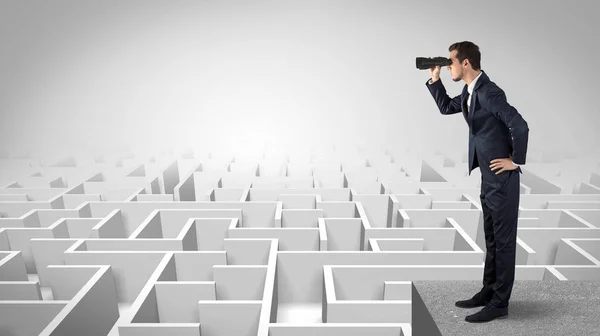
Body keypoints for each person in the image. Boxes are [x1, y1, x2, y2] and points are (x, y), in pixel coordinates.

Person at [425, 41, 529, 323]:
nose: (449, 67)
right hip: (487, 178)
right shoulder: (470, 91)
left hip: (502, 180)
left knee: (504, 242)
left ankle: (500, 303)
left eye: (451, 63)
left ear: (466, 63)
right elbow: (447, 107)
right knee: (492, 238)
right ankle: (489, 291)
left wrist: (515, 161)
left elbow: (518, 125)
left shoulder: (490, 92)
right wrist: (435, 80)